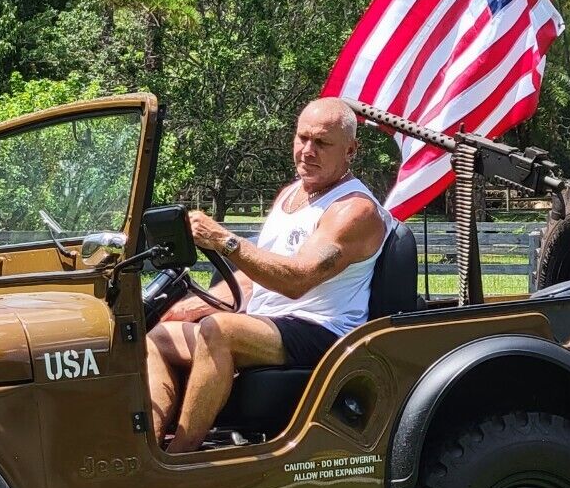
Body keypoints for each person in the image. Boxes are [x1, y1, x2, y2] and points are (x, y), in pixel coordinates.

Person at [147, 97, 392, 453]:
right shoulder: (290, 195)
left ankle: (177, 462)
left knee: (220, 331)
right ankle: (150, 449)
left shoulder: (353, 211)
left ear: (351, 150)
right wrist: (203, 303)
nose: (307, 151)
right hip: (272, 322)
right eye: (302, 138)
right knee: (158, 336)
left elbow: (296, 281)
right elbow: (258, 271)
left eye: (321, 143)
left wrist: (222, 240)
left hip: (323, 330)